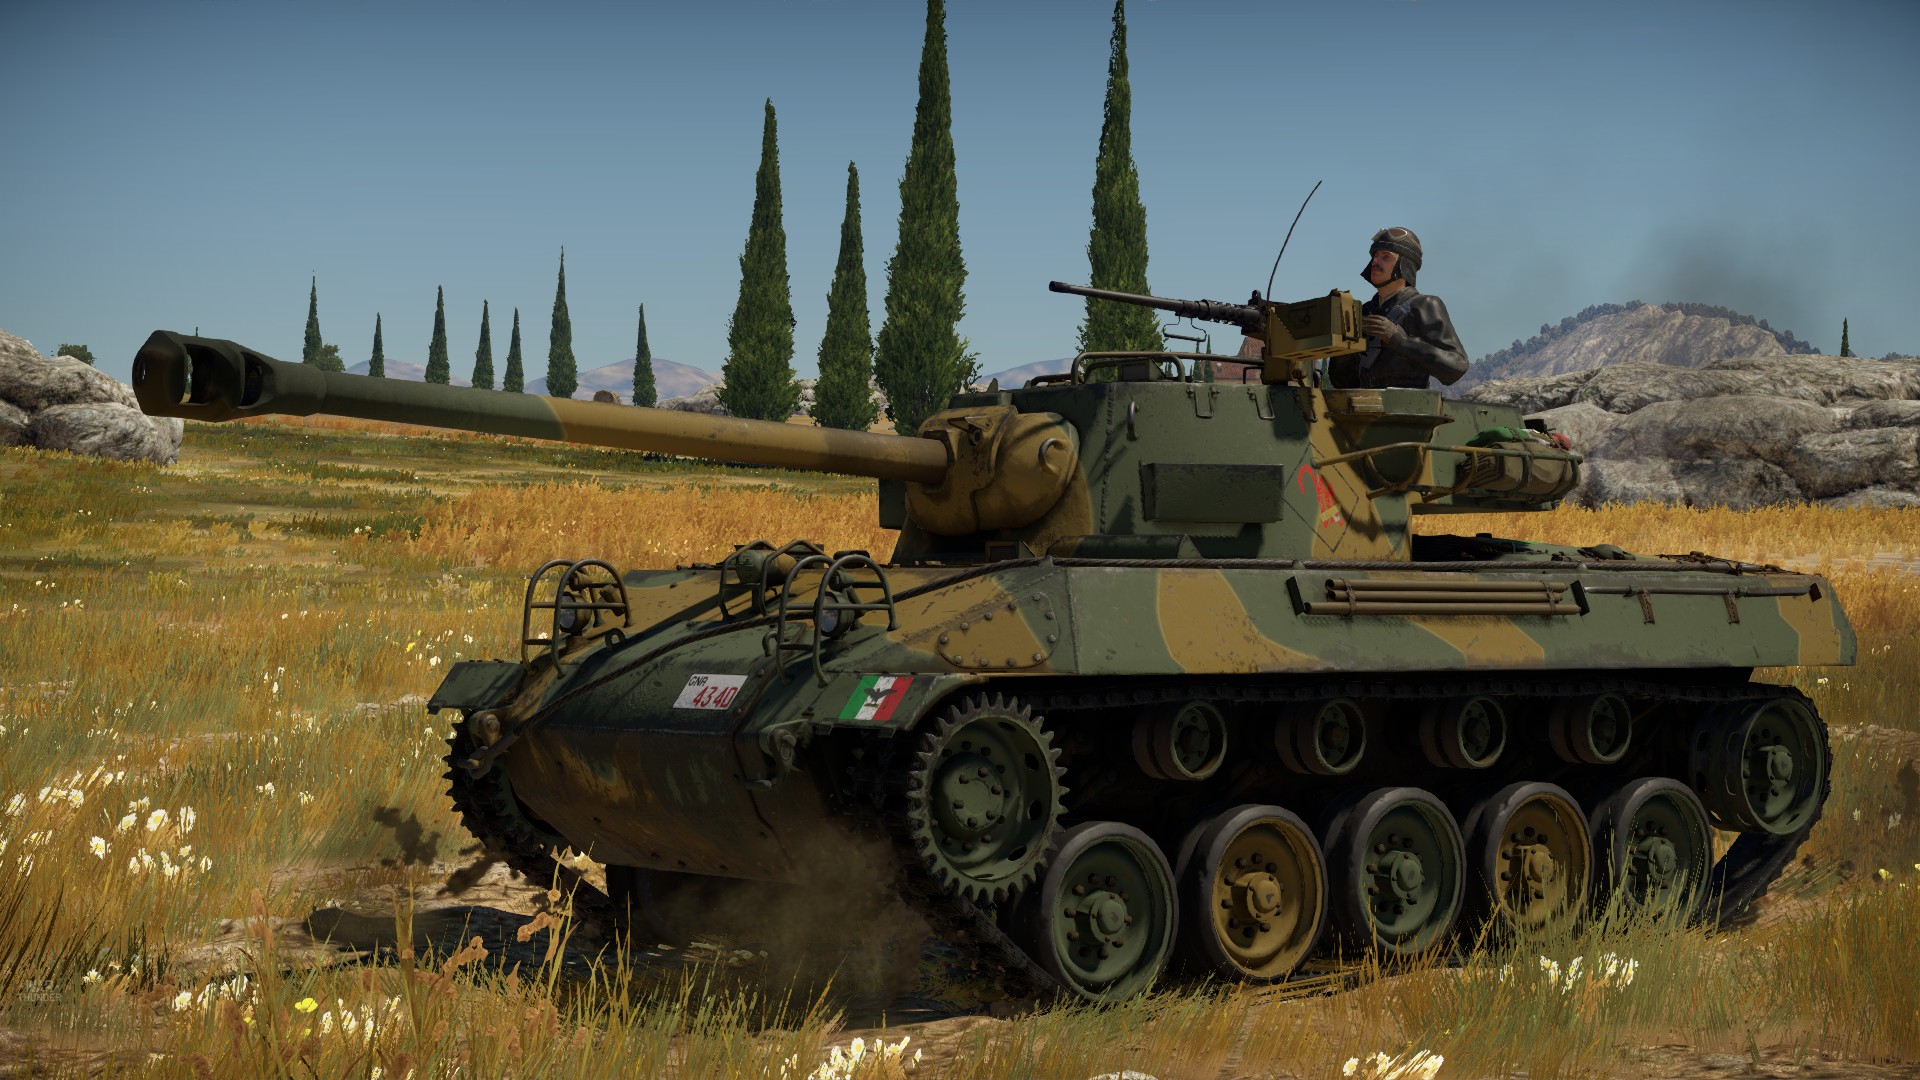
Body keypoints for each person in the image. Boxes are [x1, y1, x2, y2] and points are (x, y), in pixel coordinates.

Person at [1328, 227, 1468, 390]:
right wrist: (1343, 345)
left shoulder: (1425, 305)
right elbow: (1342, 382)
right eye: (1375, 255)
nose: (1375, 261)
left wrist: (1399, 341)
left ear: (1405, 264)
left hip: (1410, 404)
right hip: (1366, 403)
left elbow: (1457, 367)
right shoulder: (1364, 311)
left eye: (1386, 256)